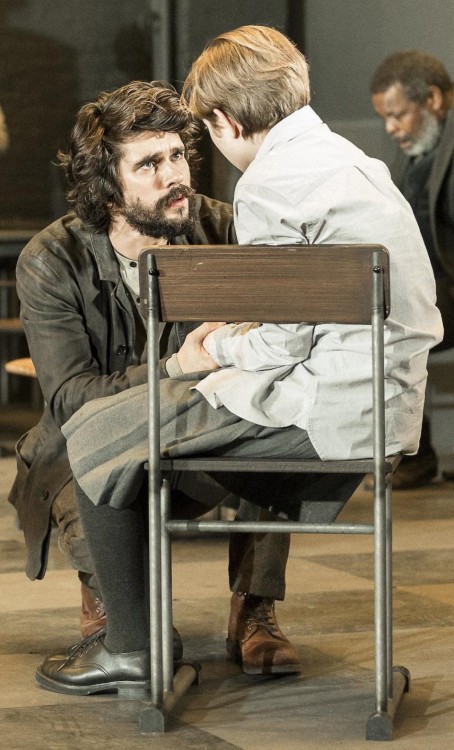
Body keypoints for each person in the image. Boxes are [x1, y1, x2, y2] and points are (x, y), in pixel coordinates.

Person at [36, 29, 442, 697]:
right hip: (388, 406)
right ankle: (140, 625)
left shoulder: (267, 187)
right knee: (123, 423)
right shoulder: (350, 160)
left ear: (222, 121)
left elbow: (281, 343)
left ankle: (131, 649)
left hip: (325, 413)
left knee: (94, 435)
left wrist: (216, 347)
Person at [9, 80, 299, 686]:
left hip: (197, 434)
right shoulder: (50, 259)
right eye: (149, 163)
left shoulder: (225, 228)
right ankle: (116, 610)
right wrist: (172, 369)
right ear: (107, 186)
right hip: (85, 445)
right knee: (79, 459)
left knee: (277, 420)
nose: (175, 174)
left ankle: (253, 605)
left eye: (177, 156)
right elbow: (68, 401)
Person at [370, 49, 454, 488]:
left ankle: (413, 458)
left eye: (398, 114)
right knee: (377, 317)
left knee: (393, 324)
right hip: (433, 288)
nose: (391, 128)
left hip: (449, 291)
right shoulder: (416, 153)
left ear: (434, 100)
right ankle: (413, 455)